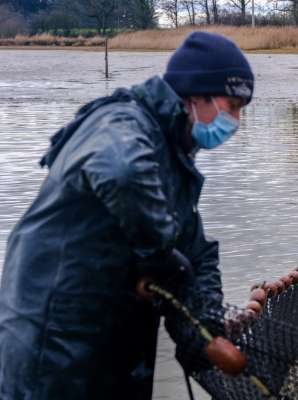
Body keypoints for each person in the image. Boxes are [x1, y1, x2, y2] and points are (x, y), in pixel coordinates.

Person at [0, 32, 253, 400]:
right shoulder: (120, 121)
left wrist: (205, 331)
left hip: (116, 344)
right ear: (196, 95)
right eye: (232, 105)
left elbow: (196, 252)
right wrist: (164, 256)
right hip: (54, 343)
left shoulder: (175, 157)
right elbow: (121, 174)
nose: (236, 120)